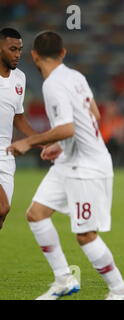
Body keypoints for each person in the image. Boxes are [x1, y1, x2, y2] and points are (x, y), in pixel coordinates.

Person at [7, 31, 124, 300]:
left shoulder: (52, 84)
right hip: (69, 161)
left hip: (86, 166)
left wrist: (30, 142)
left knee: (85, 235)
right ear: (63, 53)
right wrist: (61, 146)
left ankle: (119, 291)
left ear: (34, 55)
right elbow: (94, 115)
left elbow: (67, 127)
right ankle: (63, 279)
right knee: (36, 213)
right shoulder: (75, 76)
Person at [0, 27, 37, 229]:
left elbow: (19, 118)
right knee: (2, 207)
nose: (17, 54)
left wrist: (41, 142)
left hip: (5, 154)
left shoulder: (19, 78)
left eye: (20, 49)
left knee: (2, 217)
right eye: (12, 49)